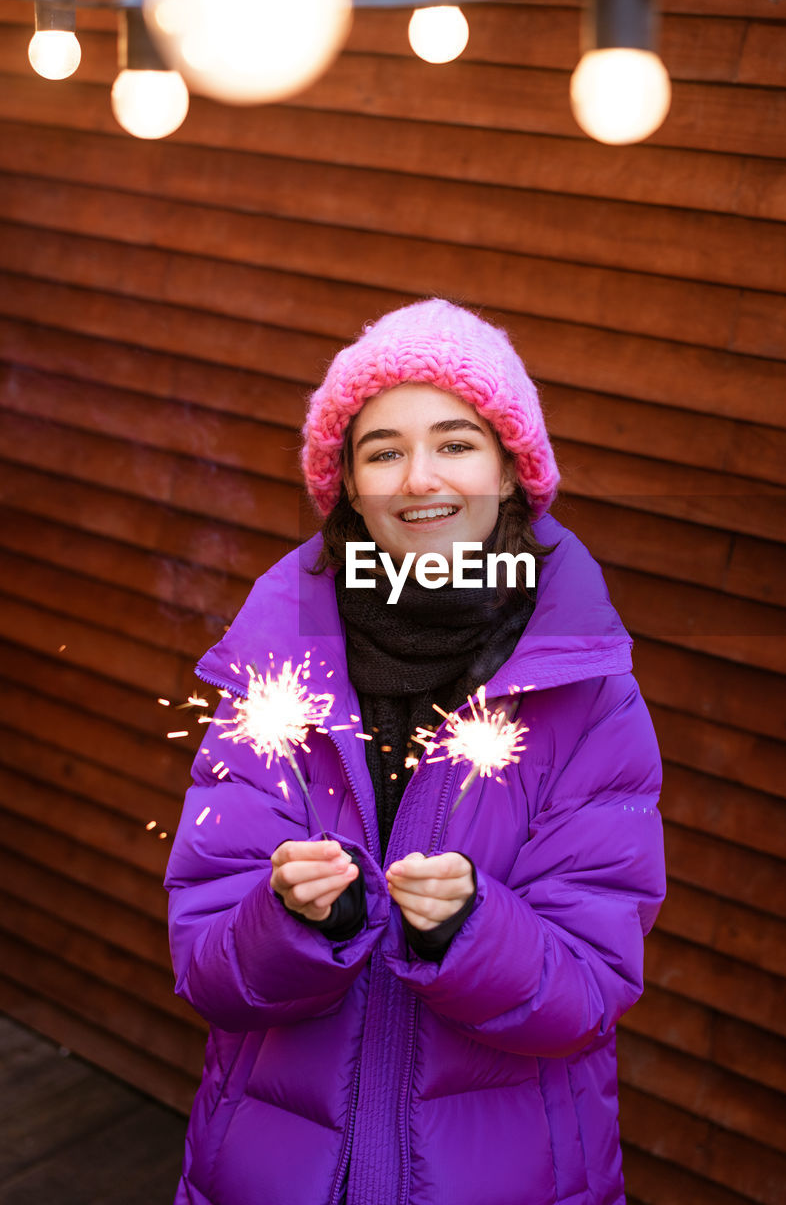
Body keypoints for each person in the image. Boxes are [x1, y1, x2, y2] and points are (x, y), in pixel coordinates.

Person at [165, 298, 666, 1205]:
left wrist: (471, 931)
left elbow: (589, 991)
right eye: (383, 451)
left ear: (512, 472)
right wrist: (291, 921)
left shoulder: (589, 692)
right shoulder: (274, 669)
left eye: (457, 443)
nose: (418, 478)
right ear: (348, 486)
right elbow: (206, 965)